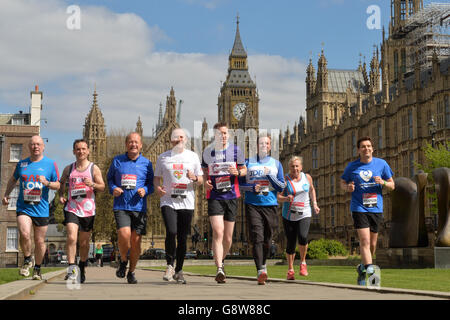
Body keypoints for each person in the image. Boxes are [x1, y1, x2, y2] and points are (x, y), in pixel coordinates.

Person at [2, 135, 60, 280]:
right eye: (33, 144)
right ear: (29, 147)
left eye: (38, 144)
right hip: (24, 207)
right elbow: (13, 180)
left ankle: (37, 268)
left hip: (41, 209)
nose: (35, 147)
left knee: (40, 241)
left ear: (43, 146)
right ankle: (27, 259)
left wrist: (47, 183)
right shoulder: (22, 164)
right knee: (24, 233)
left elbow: (58, 185)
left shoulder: (50, 164)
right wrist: (6, 194)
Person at [340, 136, 394, 285]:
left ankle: (362, 269)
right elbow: (342, 183)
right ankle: (373, 277)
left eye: (369, 146)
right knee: (364, 240)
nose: (366, 148)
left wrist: (382, 182)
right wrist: (347, 188)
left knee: (372, 244)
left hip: (376, 208)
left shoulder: (381, 164)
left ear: (372, 148)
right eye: (363, 146)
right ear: (358, 150)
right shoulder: (352, 166)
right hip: (359, 207)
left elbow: (392, 185)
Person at [154, 128, 203, 284]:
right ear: (171, 140)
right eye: (175, 137)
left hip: (186, 202)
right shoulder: (163, 157)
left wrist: (194, 177)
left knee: (182, 237)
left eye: (181, 137)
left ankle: (179, 270)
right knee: (171, 231)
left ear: (186, 140)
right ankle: (170, 265)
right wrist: (157, 188)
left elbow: (201, 180)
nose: (178, 140)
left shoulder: (193, 156)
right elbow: (156, 179)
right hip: (168, 200)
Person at [201, 122, 246, 283]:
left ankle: (222, 261)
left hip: (232, 195)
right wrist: (205, 182)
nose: (223, 136)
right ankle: (219, 268)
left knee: (228, 238)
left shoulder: (236, 151)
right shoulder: (208, 152)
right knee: (218, 232)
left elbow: (244, 169)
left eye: (225, 133)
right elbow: (205, 173)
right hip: (214, 196)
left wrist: (238, 172)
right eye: (220, 133)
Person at [107, 132, 154, 284]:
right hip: (121, 205)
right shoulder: (117, 161)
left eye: (136, 142)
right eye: (130, 142)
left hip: (139, 208)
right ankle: (123, 260)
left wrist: (145, 190)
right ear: (126, 144)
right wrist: (113, 188)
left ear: (141, 145)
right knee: (124, 235)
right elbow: (109, 180)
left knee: (136, 242)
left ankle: (131, 272)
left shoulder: (147, 163)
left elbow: (151, 185)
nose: (133, 144)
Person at [238, 135, 285, 285]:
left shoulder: (276, 164)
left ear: (270, 146)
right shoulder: (247, 162)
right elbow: (240, 185)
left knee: (267, 239)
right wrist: (252, 187)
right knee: (256, 237)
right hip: (252, 204)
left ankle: (263, 265)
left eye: (267, 143)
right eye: (261, 143)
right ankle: (260, 271)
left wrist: (270, 175)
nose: (264, 145)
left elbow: (281, 186)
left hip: (270, 204)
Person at [59, 139, 105, 283]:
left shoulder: (93, 168)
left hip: (88, 210)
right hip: (72, 208)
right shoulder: (68, 169)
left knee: (84, 243)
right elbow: (61, 184)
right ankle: (72, 269)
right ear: (74, 151)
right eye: (78, 149)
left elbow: (102, 186)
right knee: (72, 237)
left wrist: (93, 184)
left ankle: (82, 266)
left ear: (88, 151)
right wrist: (61, 195)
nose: (81, 151)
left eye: (83, 149)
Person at [278, 156, 320, 280]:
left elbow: (312, 190)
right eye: (292, 166)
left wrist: (315, 204)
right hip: (289, 215)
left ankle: (303, 263)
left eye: (297, 166)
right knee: (290, 243)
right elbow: (278, 197)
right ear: (289, 168)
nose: (295, 168)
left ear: (301, 167)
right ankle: (290, 269)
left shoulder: (307, 178)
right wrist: (286, 198)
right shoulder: (285, 180)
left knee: (303, 236)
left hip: (305, 212)